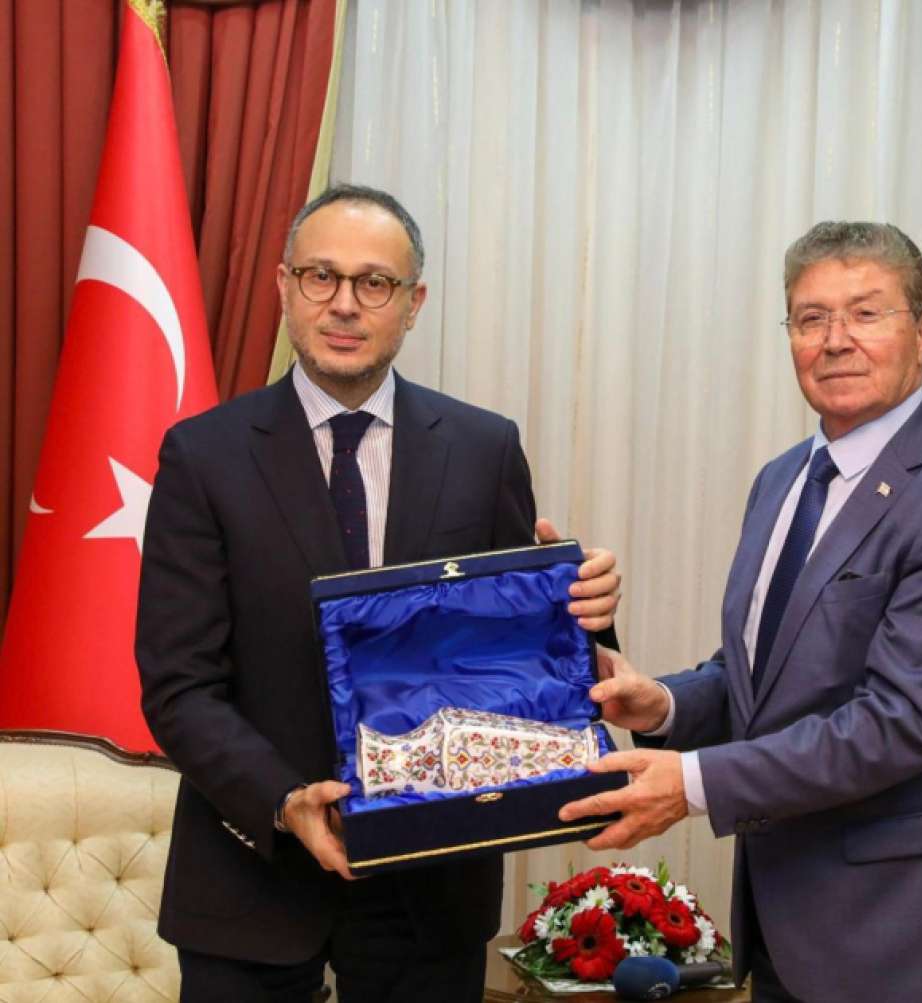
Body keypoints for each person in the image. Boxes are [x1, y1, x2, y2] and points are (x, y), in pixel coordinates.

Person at [559, 221, 922, 1002]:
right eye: (811, 318)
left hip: (912, 935)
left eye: (866, 313)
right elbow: (768, 673)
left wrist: (692, 782)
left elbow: (896, 722)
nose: (835, 340)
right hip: (786, 924)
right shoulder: (784, 479)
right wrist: (663, 704)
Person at [136, 184, 620, 1003]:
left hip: (430, 893)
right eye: (321, 275)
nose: (344, 303)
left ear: (413, 303)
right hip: (250, 882)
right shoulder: (202, 455)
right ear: (284, 285)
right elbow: (179, 684)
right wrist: (284, 800)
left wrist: (584, 607)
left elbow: (518, 658)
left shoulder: (483, 447)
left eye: (374, 282)